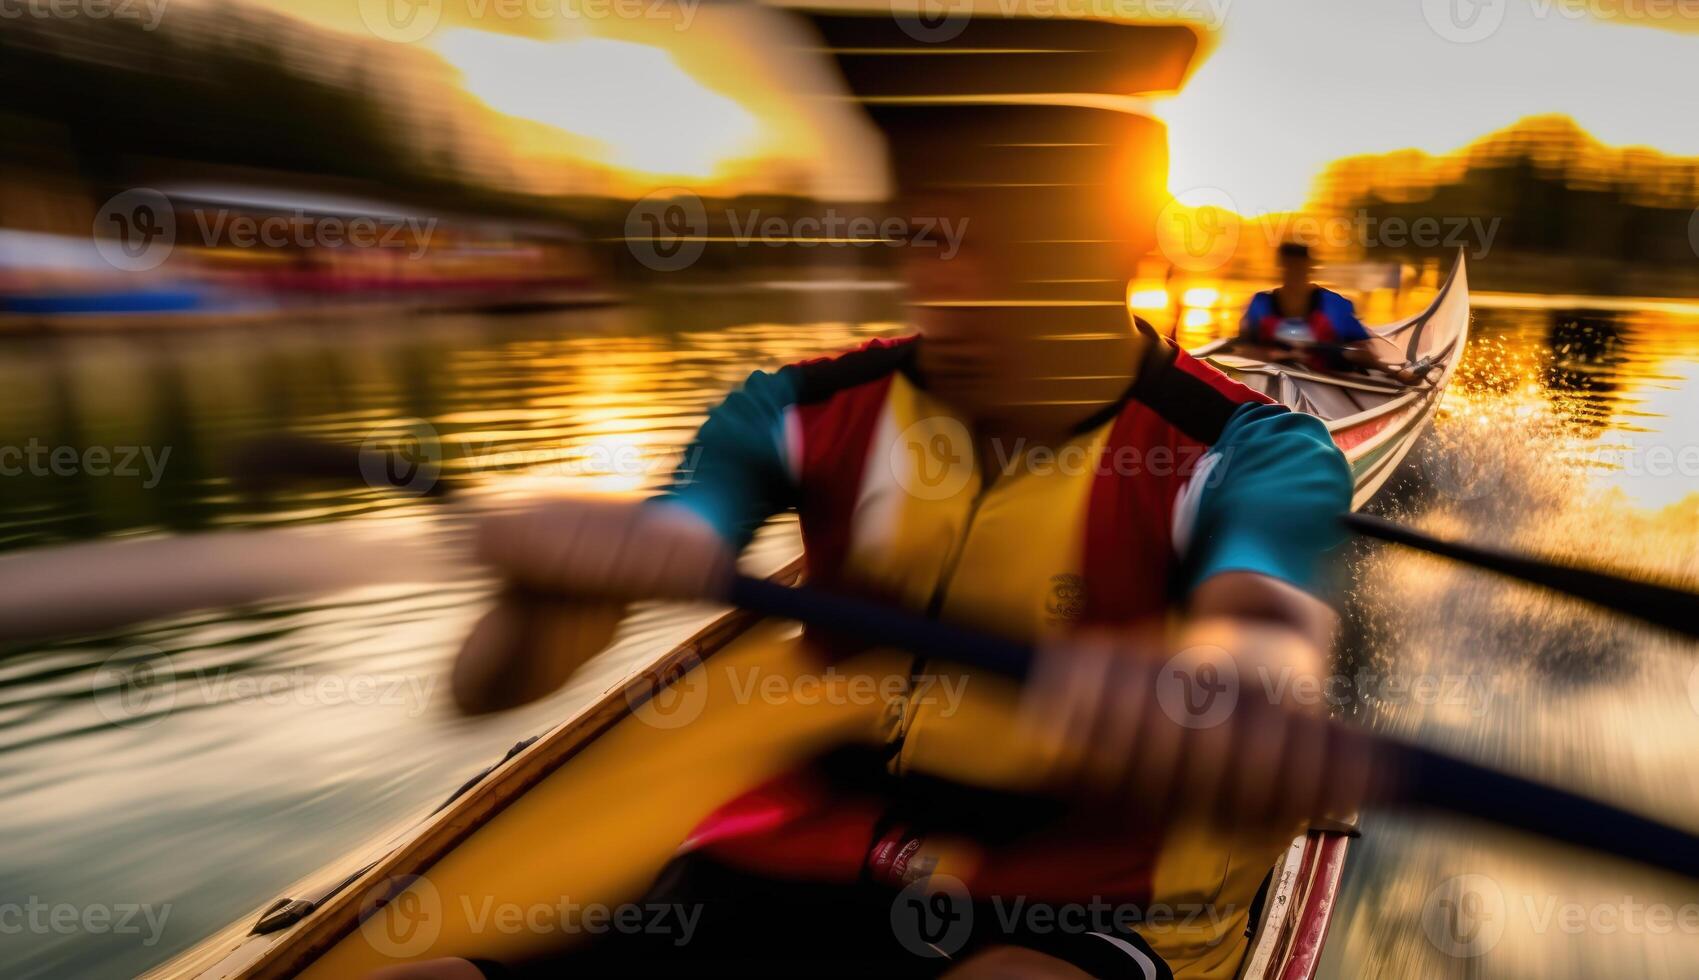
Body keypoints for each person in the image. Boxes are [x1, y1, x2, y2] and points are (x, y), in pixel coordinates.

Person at [381, 115, 1361, 980]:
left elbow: (1268, 640)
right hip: (799, 858)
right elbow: (484, 690)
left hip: (1091, 892)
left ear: (1120, 247)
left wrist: (1211, 684)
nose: (951, 285)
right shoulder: (797, 410)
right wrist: (547, 597)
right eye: (927, 237)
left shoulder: (1254, 450)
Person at [1240, 243, 1433, 384]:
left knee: (1352, 354)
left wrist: (1308, 355)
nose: (1294, 273)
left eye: (1299, 268)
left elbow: (1365, 349)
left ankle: (1399, 374)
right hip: (1277, 375)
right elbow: (1242, 348)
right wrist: (1278, 354)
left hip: (1329, 368)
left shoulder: (1332, 305)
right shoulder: (1260, 304)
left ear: (1308, 269)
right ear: (1281, 268)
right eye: (1289, 267)